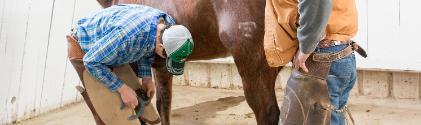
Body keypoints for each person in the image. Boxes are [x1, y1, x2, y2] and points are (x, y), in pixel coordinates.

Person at [71, 4, 194, 111]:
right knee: (111, 113)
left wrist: (146, 78)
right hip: (86, 46)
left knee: (133, 103)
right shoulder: (127, 36)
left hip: (111, 50)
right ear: (161, 46)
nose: (167, 60)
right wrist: (122, 89)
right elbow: (91, 61)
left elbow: (147, 46)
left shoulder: (168, 27)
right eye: (168, 56)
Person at [292, 0, 359, 124]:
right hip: (342, 52)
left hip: (325, 56)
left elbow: (315, 4)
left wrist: (305, 48)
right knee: (335, 114)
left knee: (322, 118)